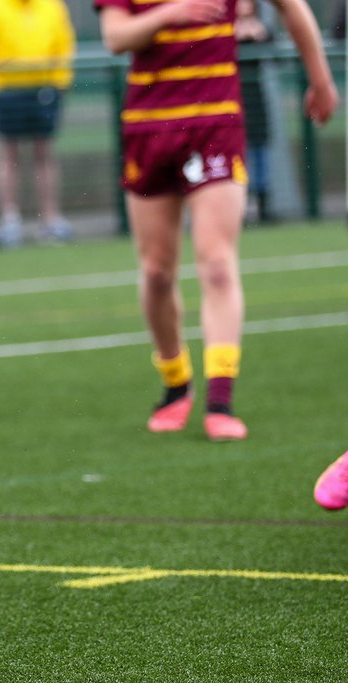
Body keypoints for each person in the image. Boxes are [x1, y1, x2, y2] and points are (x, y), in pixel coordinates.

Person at [96, 0, 337, 441]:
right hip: (148, 130)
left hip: (215, 128)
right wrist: (170, 13)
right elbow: (115, 37)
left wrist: (319, 79)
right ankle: (175, 383)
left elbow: (293, 8)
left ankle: (220, 399)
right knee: (156, 273)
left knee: (218, 264)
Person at [0, 0, 76, 246]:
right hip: (7, 90)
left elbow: (64, 43)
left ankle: (50, 219)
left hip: (44, 88)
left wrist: (60, 81)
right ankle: (10, 219)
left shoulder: (52, 5)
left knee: (44, 153)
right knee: (8, 153)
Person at [234, 0, 272, 222]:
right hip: (232, 99)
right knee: (240, 152)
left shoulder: (260, 27)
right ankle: (241, 203)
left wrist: (261, 36)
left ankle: (263, 204)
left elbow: (275, 52)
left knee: (260, 148)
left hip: (255, 98)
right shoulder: (225, 28)